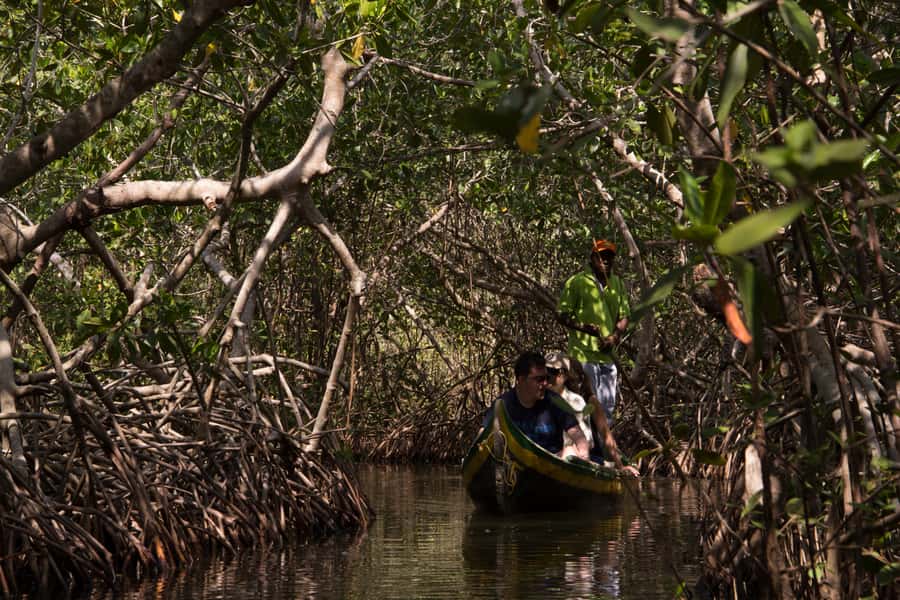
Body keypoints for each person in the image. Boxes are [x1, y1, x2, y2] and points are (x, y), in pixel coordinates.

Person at [557, 239, 630, 428]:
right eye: (601, 256)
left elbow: (624, 316)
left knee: (607, 409)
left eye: (609, 257)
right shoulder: (577, 282)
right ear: (592, 258)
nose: (605, 260)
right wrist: (583, 328)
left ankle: (605, 449)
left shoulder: (617, 284)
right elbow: (562, 315)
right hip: (583, 356)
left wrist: (614, 337)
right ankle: (584, 448)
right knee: (585, 407)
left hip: (607, 357)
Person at [545, 351, 639, 476]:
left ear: (565, 375)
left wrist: (620, 466)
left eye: (550, 373)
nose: (545, 380)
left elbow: (606, 435)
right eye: (543, 374)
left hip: (586, 455)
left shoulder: (584, 400)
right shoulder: (544, 397)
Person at [482, 351, 590, 459]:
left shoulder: (554, 400)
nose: (545, 384)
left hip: (552, 464)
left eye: (546, 378)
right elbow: (483, 436)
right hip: (514, 466)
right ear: (521, 380)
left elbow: (576, 432)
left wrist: (583, 451)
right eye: (539, 379)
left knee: (570, 451)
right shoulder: (504, 404)